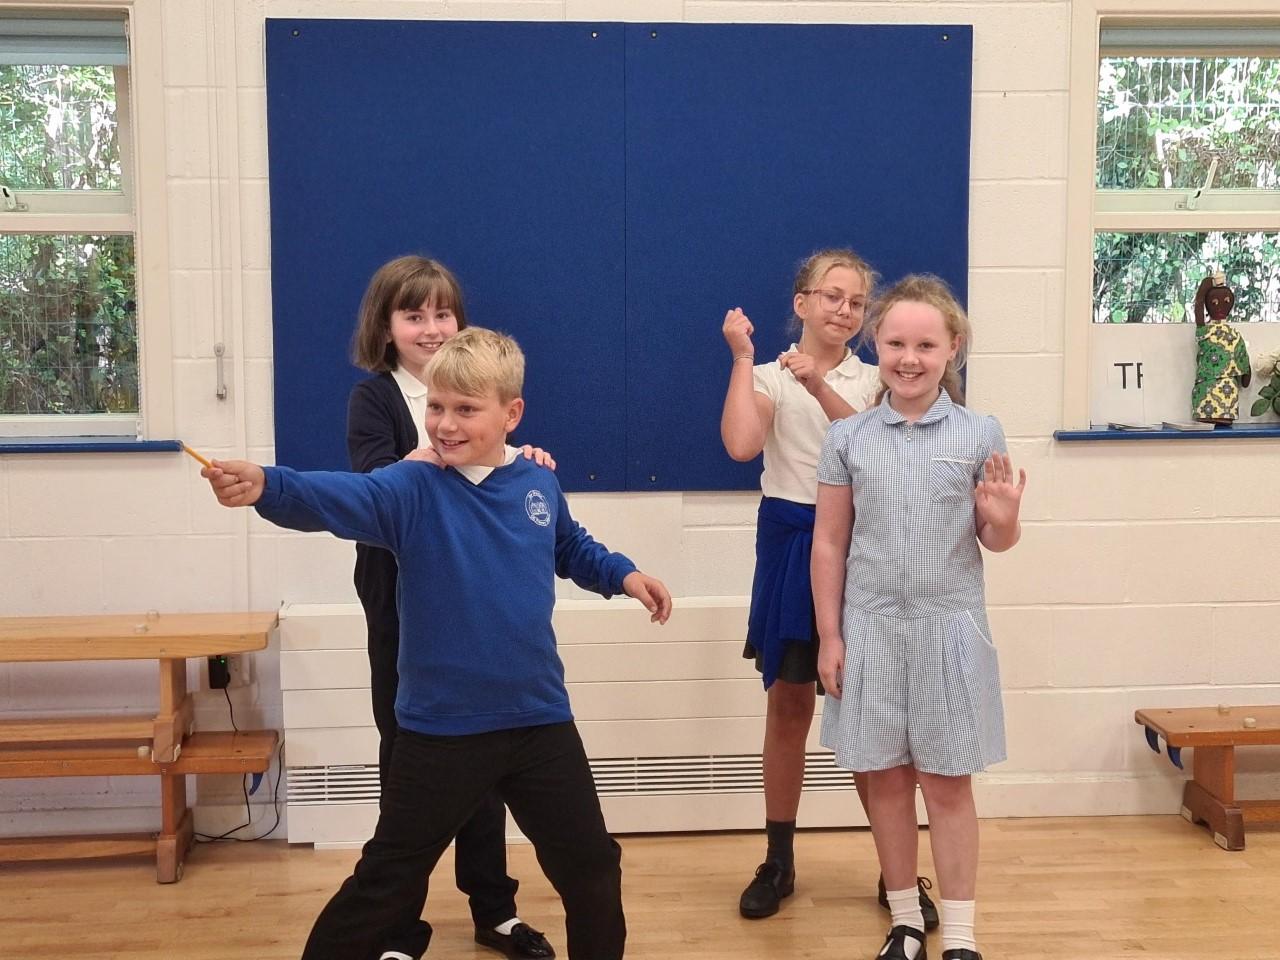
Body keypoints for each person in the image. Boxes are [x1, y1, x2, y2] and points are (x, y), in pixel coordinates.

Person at [203, 327, 673, 960]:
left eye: (465, 409)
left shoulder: (537, 484)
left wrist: (624, 574)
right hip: (442, 731)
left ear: (511, 414)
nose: (446, 424)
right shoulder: (411, 487)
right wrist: (266, 483)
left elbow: (568, 546)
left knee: (592, 868)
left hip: (538, 721)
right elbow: (334, 497)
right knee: (387, 881)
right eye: (436, 406)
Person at [812, 274, 1026, 960]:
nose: (909, 358)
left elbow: (994, 538)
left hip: (950, 630)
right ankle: (905, 921)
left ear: (952, 348)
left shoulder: (978, 432)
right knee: (886, 782)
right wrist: (830, 635)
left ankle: (960, 934)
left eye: (926, 345)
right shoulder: (848, 437)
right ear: (876, 343)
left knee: (947, 783)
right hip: (870, 630)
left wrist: (1004, 520)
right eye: (897, 343)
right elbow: (830, 542)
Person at [346, 255, 554, 960]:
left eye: (443, 313)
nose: (432, 328)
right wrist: (440, 452)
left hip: (473, 591)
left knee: (485, 755)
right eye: (414, 315)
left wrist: (522, 458)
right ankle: (398, 929)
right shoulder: (375, 399)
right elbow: (374, 485)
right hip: (400, 596)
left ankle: (494, 909)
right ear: (386, 327)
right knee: (408, 761)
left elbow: (498, 472)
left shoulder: (480, 391)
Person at [720, 249, 936, 926]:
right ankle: (778, 859)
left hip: (862, 546)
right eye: (831, 296)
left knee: (872, 716)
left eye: (856, 302)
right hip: (791, 542)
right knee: (788, 705)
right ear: (802, 303)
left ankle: (897, 873)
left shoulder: (875, 379)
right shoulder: (771, 374)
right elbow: (741, 445)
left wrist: (818, 385)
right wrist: (741, 359)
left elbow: (876, 447)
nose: (843, 310)